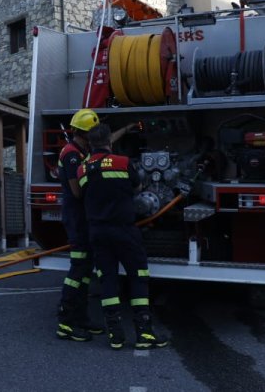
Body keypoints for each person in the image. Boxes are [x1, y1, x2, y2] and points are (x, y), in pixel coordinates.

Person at [78, 123, 169, 350]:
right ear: (110, 141)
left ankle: (115, 335)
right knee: (138, 277)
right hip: (124, 230)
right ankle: (144, 333)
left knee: (107, 279)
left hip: (98, 232)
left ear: (90, 144)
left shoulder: (83, 168)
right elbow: (138, 188)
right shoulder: (123, 162)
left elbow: (81, 193)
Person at [53, 108, 104, 342]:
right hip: (76, 219)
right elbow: (76, 191)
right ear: (85, 134)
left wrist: (127, 129)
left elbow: (106, 143)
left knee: (85, 271)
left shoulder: (82, 150)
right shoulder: (72, 154)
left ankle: (81, 318)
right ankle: (66, 321)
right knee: (78, 269)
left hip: (83, 218)